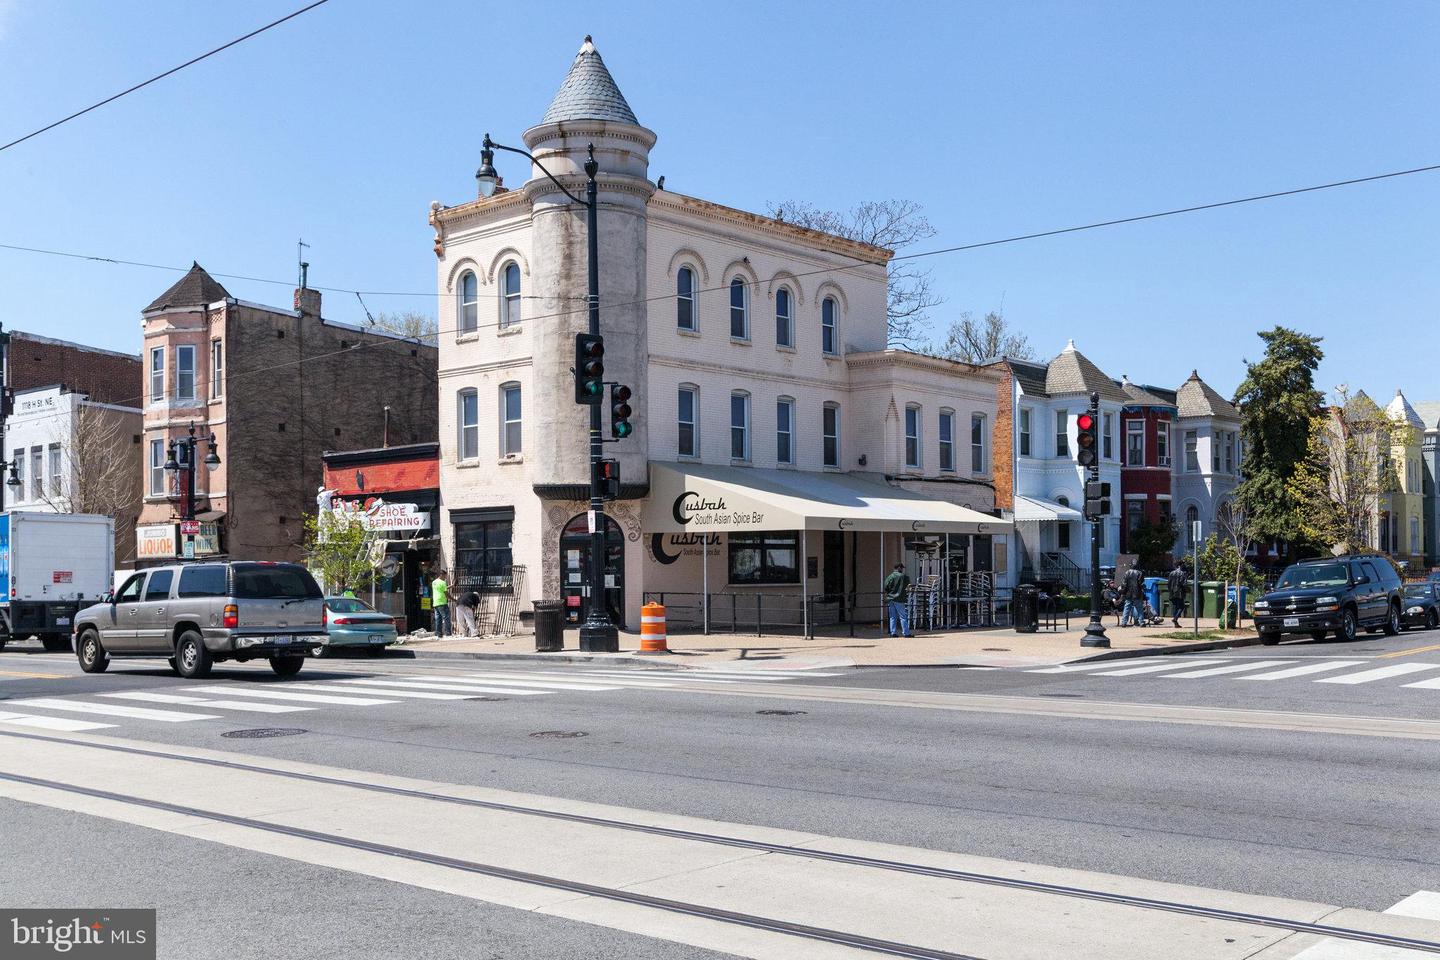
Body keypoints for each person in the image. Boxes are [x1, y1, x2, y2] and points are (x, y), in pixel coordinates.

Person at [883, 562, 913, 638]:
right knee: (903, 616)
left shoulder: (890, 576)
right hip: (900, 598)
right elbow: (908, 587)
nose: (902, 569)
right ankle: (906, 633)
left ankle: (893, 632)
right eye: (902, 568)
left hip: (891, 598)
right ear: (899, 568)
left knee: (892, 616)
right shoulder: (904, 577)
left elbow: (886, 586)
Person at [1168, 560, 1190, 628]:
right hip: (1180, 592)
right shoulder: (1182, 573)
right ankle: (1175, 619)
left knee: (1175, 607)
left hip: (1172, 592)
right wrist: (1187, 590)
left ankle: (1176, 623)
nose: (1184, 565)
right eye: (1183, 564)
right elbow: (1183, 583)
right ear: (1180, 565)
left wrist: (1170, 590)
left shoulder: (1171, 573)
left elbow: (1169, 583)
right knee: (1181, 606)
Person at [431, 570, 451, 638]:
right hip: (442, 602)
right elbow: (446, 594)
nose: (445, 577)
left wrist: (451, 586)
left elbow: (441, 589)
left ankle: (439, 634)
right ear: (442, 575)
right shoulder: (443, 582)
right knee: (446, 618)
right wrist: (454, 599)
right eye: (445, 576)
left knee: (438, 619)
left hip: (436, 603)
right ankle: (448, 633)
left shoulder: (434, 582)